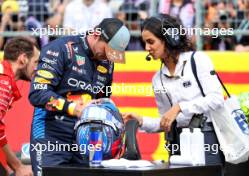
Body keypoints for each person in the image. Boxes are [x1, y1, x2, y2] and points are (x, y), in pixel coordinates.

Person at [29, 18, 130, 176]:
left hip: (85, 138)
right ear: (96, 35)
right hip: (50, 137)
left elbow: (102, 99)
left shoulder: (107, 62)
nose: (109, 57)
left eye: (114, 54)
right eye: (108, 50)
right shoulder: (60, 49)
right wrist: (72, 108)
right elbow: (38, 94)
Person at [122, 14, 225, 165]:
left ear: (169, 39)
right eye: (145, 42)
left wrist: (179, 107)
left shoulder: (198, 60)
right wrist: (141, 121)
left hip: (207, 140)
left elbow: (217, 99)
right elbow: (165, 121)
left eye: (151, 42)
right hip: (178, 145)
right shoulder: (157, 79)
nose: (146, 48)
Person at [0, 37, 39, 176]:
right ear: (23, 59)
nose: (37, 68)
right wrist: (18, 166)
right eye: (36, 62)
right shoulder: (4, 80)